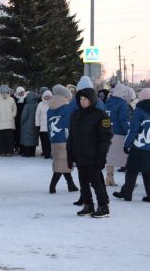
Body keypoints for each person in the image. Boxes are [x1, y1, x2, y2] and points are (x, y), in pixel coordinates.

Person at [67, 86, 113, 218]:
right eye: (80, 99)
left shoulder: (102, 115)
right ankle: (88, 205)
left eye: (85, 99)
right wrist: (69, 154)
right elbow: (71, 136)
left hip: (94, 155)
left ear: (92, 99)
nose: (82, 101)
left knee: (96, 181)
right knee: (83, 182)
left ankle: (103, 207)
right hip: (79, 155)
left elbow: (106, 136)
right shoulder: (75, 115)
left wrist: (102, 156)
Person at [114, 88, 150, 202]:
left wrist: (126, 145)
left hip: (139, 147)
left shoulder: (139, 110)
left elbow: (133, 130)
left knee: (132, 171)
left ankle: (126, 194)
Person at [47, 85, 79, 194]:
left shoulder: (49, 109)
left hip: (54, 138)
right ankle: (52, 186)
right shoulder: (67, 108)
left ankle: (71, 185)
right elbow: (69, 124)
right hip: (65, 139)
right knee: (62, 164)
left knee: (62, 163)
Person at [105, 83, 132, 186]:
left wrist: (106, 129)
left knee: (110, 157)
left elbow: (105, 119)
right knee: (126, 158)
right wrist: (129, 132)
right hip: (120, 134)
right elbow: (124, 120)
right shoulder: (122, 104)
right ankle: (130, 182)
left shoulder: (108, 102)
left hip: (108, 133)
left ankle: (109, 178)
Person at [0, 86, 17, 156]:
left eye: (5, 92)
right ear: (1, 92)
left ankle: (9, 151)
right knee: (2, 138)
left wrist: (13, 115)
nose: (4, 93)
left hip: (10, 122)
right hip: (1, 122)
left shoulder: (11, 99)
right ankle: (3, 151)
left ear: (8, 92)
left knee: (9, 138)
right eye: (3, 92)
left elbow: (14, 108)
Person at [19, 91, 40, 157]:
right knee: (34, 138)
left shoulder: (27, 106)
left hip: (26, 125)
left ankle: (27, 153)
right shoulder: (37, 105)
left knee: (27, 138)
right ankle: (32, 153)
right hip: (35, 124)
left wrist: (21, 122)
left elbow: (23, 116)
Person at [35, 90, 53, 159]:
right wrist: (37, 124)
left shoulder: (53, 104)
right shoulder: (40, 104)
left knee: (50, 141)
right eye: (46, 96)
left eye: (49, 96)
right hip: (42, 127)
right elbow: (37, 115)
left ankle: (51, 153)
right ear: (43, 97)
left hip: (50, 127)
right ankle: (46, 153)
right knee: (44, 141)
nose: (47, 98)